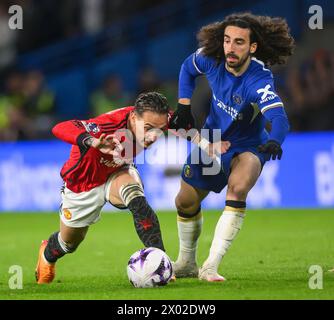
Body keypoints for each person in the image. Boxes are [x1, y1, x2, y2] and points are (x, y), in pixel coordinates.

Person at [169, 13, 294, 281]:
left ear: (252, 47)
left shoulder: (258, 79)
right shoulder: (210, 58)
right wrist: (183, 105)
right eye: (227, 40)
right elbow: (186, 69)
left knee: (238, 186)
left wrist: (275, 140)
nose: (230, 48)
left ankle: (210, 266)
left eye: (239, 42)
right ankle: (187, 262)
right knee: (184, 201)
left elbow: (279, 117)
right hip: (213, 140)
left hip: (248, 145)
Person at [35, 92, 170, 284]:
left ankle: (161, 262)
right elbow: (60, 127)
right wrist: (92, 141)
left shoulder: (157, 117)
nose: (153, 136)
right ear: (133, 117)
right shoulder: (107, 125)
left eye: (160, 130)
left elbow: (182, 120)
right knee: (69, 243)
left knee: (135, 197)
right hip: (83, 183)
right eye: (147, 128)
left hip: (118, 170)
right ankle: (47, 255)